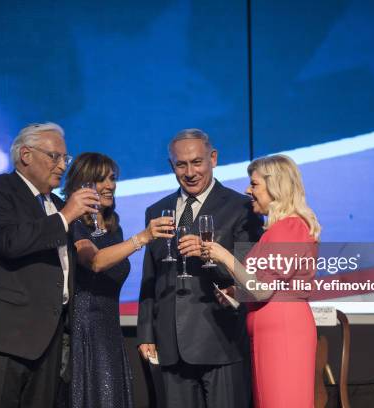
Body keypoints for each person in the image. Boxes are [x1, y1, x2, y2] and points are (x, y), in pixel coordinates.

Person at [0, 123, 99, 408]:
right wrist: (66, 215)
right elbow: (11, 242)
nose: (62, 165)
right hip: (0, 338)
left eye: (65, 158)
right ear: (25, 154)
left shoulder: (57, 204)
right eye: (54, 156)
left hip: (48, 342)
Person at [137, 129, 263, 408]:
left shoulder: (242, 208)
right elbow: (151, 276)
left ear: (213, 158)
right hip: (170, 344)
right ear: (172, 166)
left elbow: (252, 277)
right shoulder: (157, 210)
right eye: (182, 164)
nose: (190, 172)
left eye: (197, 162)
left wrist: (214, 254)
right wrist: (146, 332)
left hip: (222, 341)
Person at [201, 154, 320, 408]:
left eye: (254, 184)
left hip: (283, 332)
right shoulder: (277, 231)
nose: (247, 190)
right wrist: (235, 291)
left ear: (275, 187)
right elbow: (262, 284)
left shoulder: (290, 228)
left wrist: (223, 255)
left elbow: (263, 290)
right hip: (271, 331)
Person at [60, 152, 174, 408]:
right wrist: (142, 238)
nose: (110, 185)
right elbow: (96, 262)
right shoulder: (73, 222)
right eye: (101, 179)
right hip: (83, 333)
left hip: (110, 332)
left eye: (112, 178)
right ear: (83, 184)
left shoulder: (113, 227)